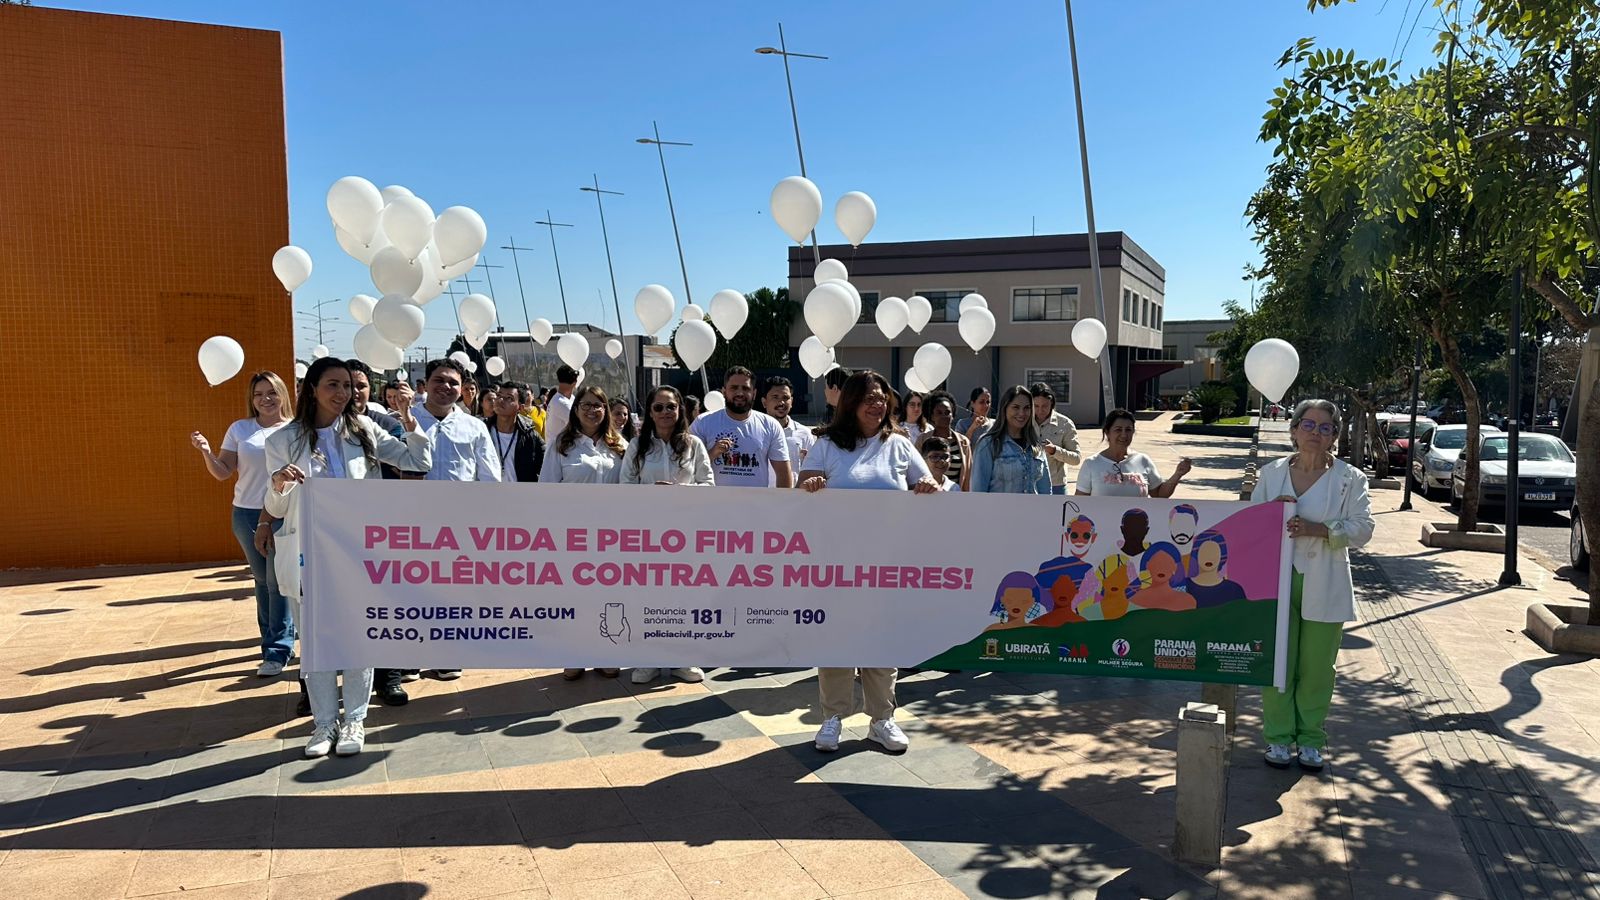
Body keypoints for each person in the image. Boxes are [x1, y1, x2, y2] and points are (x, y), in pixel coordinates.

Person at [264, 357, 432, 757]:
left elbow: (418, 461)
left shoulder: (364, 430)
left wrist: (411, 423)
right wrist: (279, 483)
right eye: (333, 385)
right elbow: (275, 506)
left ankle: (355, 719)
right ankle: (324, 723)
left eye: (349, 386)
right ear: (312, 389)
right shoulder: (282, 440)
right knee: (316, 641)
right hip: (309, 552)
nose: (343, 393)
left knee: (359, 637)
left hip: (358, 550)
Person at [797, 369, 939, 754]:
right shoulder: (827, 444)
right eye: (867, 398)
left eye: (881, 397)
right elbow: (802, 489)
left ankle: (881, 718)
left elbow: (927, 486)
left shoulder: (900, 444)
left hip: (885, 564)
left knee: (881, 641)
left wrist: (927, 486)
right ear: (850, 403)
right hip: (835, 565)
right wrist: (810, 485)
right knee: (836, 640)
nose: (876, 404)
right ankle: (833, 717)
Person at [1251, 399, 1374, 772]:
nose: (1315, 433)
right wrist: (1273, 512)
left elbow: (1363, 529)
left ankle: (1310, 740)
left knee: (1318, 668)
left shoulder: (1350, 479)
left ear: (1335, 435)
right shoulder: (1271, 474)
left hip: (1325, 580)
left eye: (1325, 427)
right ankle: (1277, 737)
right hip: (1277, 579)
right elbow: (1251, 524)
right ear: (1293, 430)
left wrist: (1319, 530)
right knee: (1278, 662)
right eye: (1308, 424)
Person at [395, 358, 500, 691]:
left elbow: (489, 476)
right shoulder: (404, 421)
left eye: (454, 382)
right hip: (412, 521)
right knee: (411, 588)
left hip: (459, 524)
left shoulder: (474, 427)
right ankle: (411, 654)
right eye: (439, 380)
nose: (447, 387)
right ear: (426, 384)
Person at [190, 371, 294, 677]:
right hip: (246, 513)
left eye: (271, 392)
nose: (265, 399)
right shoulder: (240, 429)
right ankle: (272, 640)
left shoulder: (295, 428)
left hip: (283, 512)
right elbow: (224, 471)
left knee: (277, 582)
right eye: (258, 394)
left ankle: (277, 650)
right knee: (261, 581)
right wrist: (206, 452)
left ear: (282, 394)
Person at [621, 386, 714, 684]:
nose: (665, 412)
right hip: (646, 536)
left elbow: (709, 486)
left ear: (680, 410)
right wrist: (652, 493)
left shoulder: (694, 445)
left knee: (684, 597)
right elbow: (624, 488)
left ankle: (682, 659)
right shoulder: (636, 446)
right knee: (647, 597)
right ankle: (647, 660)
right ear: (649, 412)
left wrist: (681, 493)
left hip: (685, 535)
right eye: (658, 407)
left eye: (671, 406)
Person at [539, 384, 627, 681]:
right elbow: (547, 490)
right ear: (576, 410)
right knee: (574, 597)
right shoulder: (561, 445)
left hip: (613, 536)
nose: (592, 410)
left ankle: (605, 653)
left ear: (606, 410)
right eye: (586, 405)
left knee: (607, 596)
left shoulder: (620, 445)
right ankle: (574, 654)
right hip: (572, 535)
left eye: (598, 405)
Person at [690, 366, 793, 489]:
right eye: (734, 388)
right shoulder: (703, 422)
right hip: (713, 500)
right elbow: (686, 467)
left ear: (754, 393)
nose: (740, 393)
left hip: (756, 501)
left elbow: (783, 473)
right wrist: (712, 453)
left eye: (745, 388)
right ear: (724, 392)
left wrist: (783, 500)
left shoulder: (770, 425)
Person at [1075, 409, 1191, 498]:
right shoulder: (1091, 464)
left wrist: (1178, 474)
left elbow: (1159, 494)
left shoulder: (1143, 460)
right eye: (1118, 430)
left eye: (1128, 430)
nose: (1124, 435)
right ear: (1107, 432)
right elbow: (1079, 503)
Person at [968, 384, 1053, 494]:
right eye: (1016, 407)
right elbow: (978, 492)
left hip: (1034, 506)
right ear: (1005, 409)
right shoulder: (988, 444)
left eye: (1027, 408)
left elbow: (1045, 491)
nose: (1022, 413)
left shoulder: (1036, 444)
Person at [487, 381, 545, 483]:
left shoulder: (530, 435)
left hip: (521, 492)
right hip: (487, 491)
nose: (501, 400)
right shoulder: (483, 430)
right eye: (499, 395)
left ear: (520, 408)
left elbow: (547, 467)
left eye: (509, 398)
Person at [1030, 382, 1082, 495]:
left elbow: (1076, 459)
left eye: (1045, 406)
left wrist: (1055, 451)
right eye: (1036, 406)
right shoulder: (1023, 421)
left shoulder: (1065, 424)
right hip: (1029, 484)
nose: (1040, 410)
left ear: (1052, 403)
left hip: (1056, 486)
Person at [763, 375, 816, 482]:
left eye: (785, 398)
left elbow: (813, 469)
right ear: (764, 402)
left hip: (793, 492)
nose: (781, 403)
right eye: (775, 397)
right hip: (760, 492)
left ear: (791, 401)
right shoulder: (756, 432)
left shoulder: (804, 434)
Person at [918, 391, 972, 492]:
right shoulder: (922, 440)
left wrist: (965, 497)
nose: (944, 416)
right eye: (939, 413)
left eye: (947, 413)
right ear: (932, 416)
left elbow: (968, 475)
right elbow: (916, 469)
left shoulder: (964, 442)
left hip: (955, 494)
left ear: (953, 415)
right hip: (927, 493)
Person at [1185, 530, 1248, 608]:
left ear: (1222, 555)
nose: (1209, 557)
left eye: (1214, 552)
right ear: (1196, 554)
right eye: (1205, 552)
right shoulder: (1183, 586)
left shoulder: (1234, 590)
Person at [544, 365, 579, 442]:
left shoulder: (565, 399)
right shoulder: (561, 403)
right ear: (574, 383)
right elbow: (581, 424)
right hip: (557, 447)